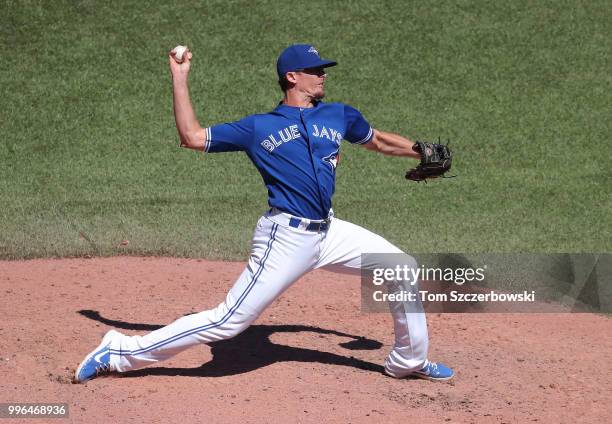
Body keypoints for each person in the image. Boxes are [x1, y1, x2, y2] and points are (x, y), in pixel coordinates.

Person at [74, 44, 454, 383]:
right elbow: (191, 137)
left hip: (329, 232)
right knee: (228, 321)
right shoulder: (258, 127)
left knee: (399, 266)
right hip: (285, 237)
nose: (323, 75)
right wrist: (180, 77)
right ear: (292, 77)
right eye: (316, 70)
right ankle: (120, 350)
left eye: (323, 69)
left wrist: (418, 149)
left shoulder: (339, 115)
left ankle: (408, 361)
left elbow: (379, 141)